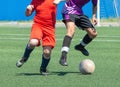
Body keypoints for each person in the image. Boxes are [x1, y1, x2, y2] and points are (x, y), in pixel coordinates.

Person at [16, 0, 57, 75]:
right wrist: (27, 10)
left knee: (47, 52)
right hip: (38, 25)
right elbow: (27, 14)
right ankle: (24, 58)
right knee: (33, 42)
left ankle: (43, 69)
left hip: (50, 28)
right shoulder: (35, 1)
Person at [59, 0, 98, 66]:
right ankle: (63, 56)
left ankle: (80, 46)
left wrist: (94, 16)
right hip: (69, 9)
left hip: (79, 12)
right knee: (71, 31)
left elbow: (95, 5)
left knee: (93, 34)